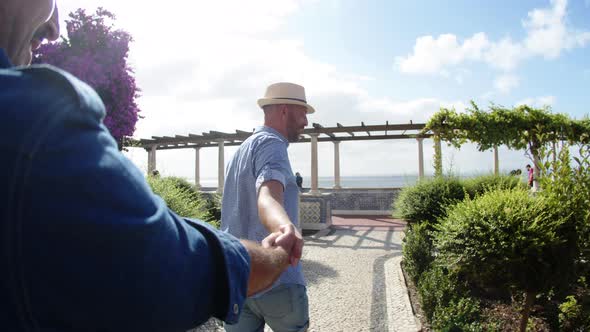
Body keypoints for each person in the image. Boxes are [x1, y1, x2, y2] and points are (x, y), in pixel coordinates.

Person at [0, 1, 298, 330]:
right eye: (302, 113)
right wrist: (281, 246)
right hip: (272, 282)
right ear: (284, 110)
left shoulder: (245, 146)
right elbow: (163, 266)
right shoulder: (35, 121)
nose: (56, 25)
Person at [221, 82, 313, 332]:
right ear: (284, 110)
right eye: (303, 112)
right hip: (277, 280)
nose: (306, 121)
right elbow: (268, 195)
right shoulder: (273, 144)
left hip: (238, 280)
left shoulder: (240, 151)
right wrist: (284, 228)